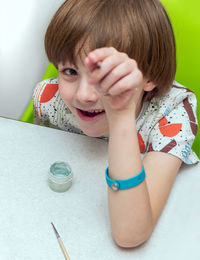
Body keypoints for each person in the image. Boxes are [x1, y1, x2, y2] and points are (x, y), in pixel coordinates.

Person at [33, 0, 199, 248]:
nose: (85, 96)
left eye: (107, 77)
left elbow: (130, 234)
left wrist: (120, 114)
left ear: (150, 76)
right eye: (70, 71)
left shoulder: (172, 114)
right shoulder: (48, 101)